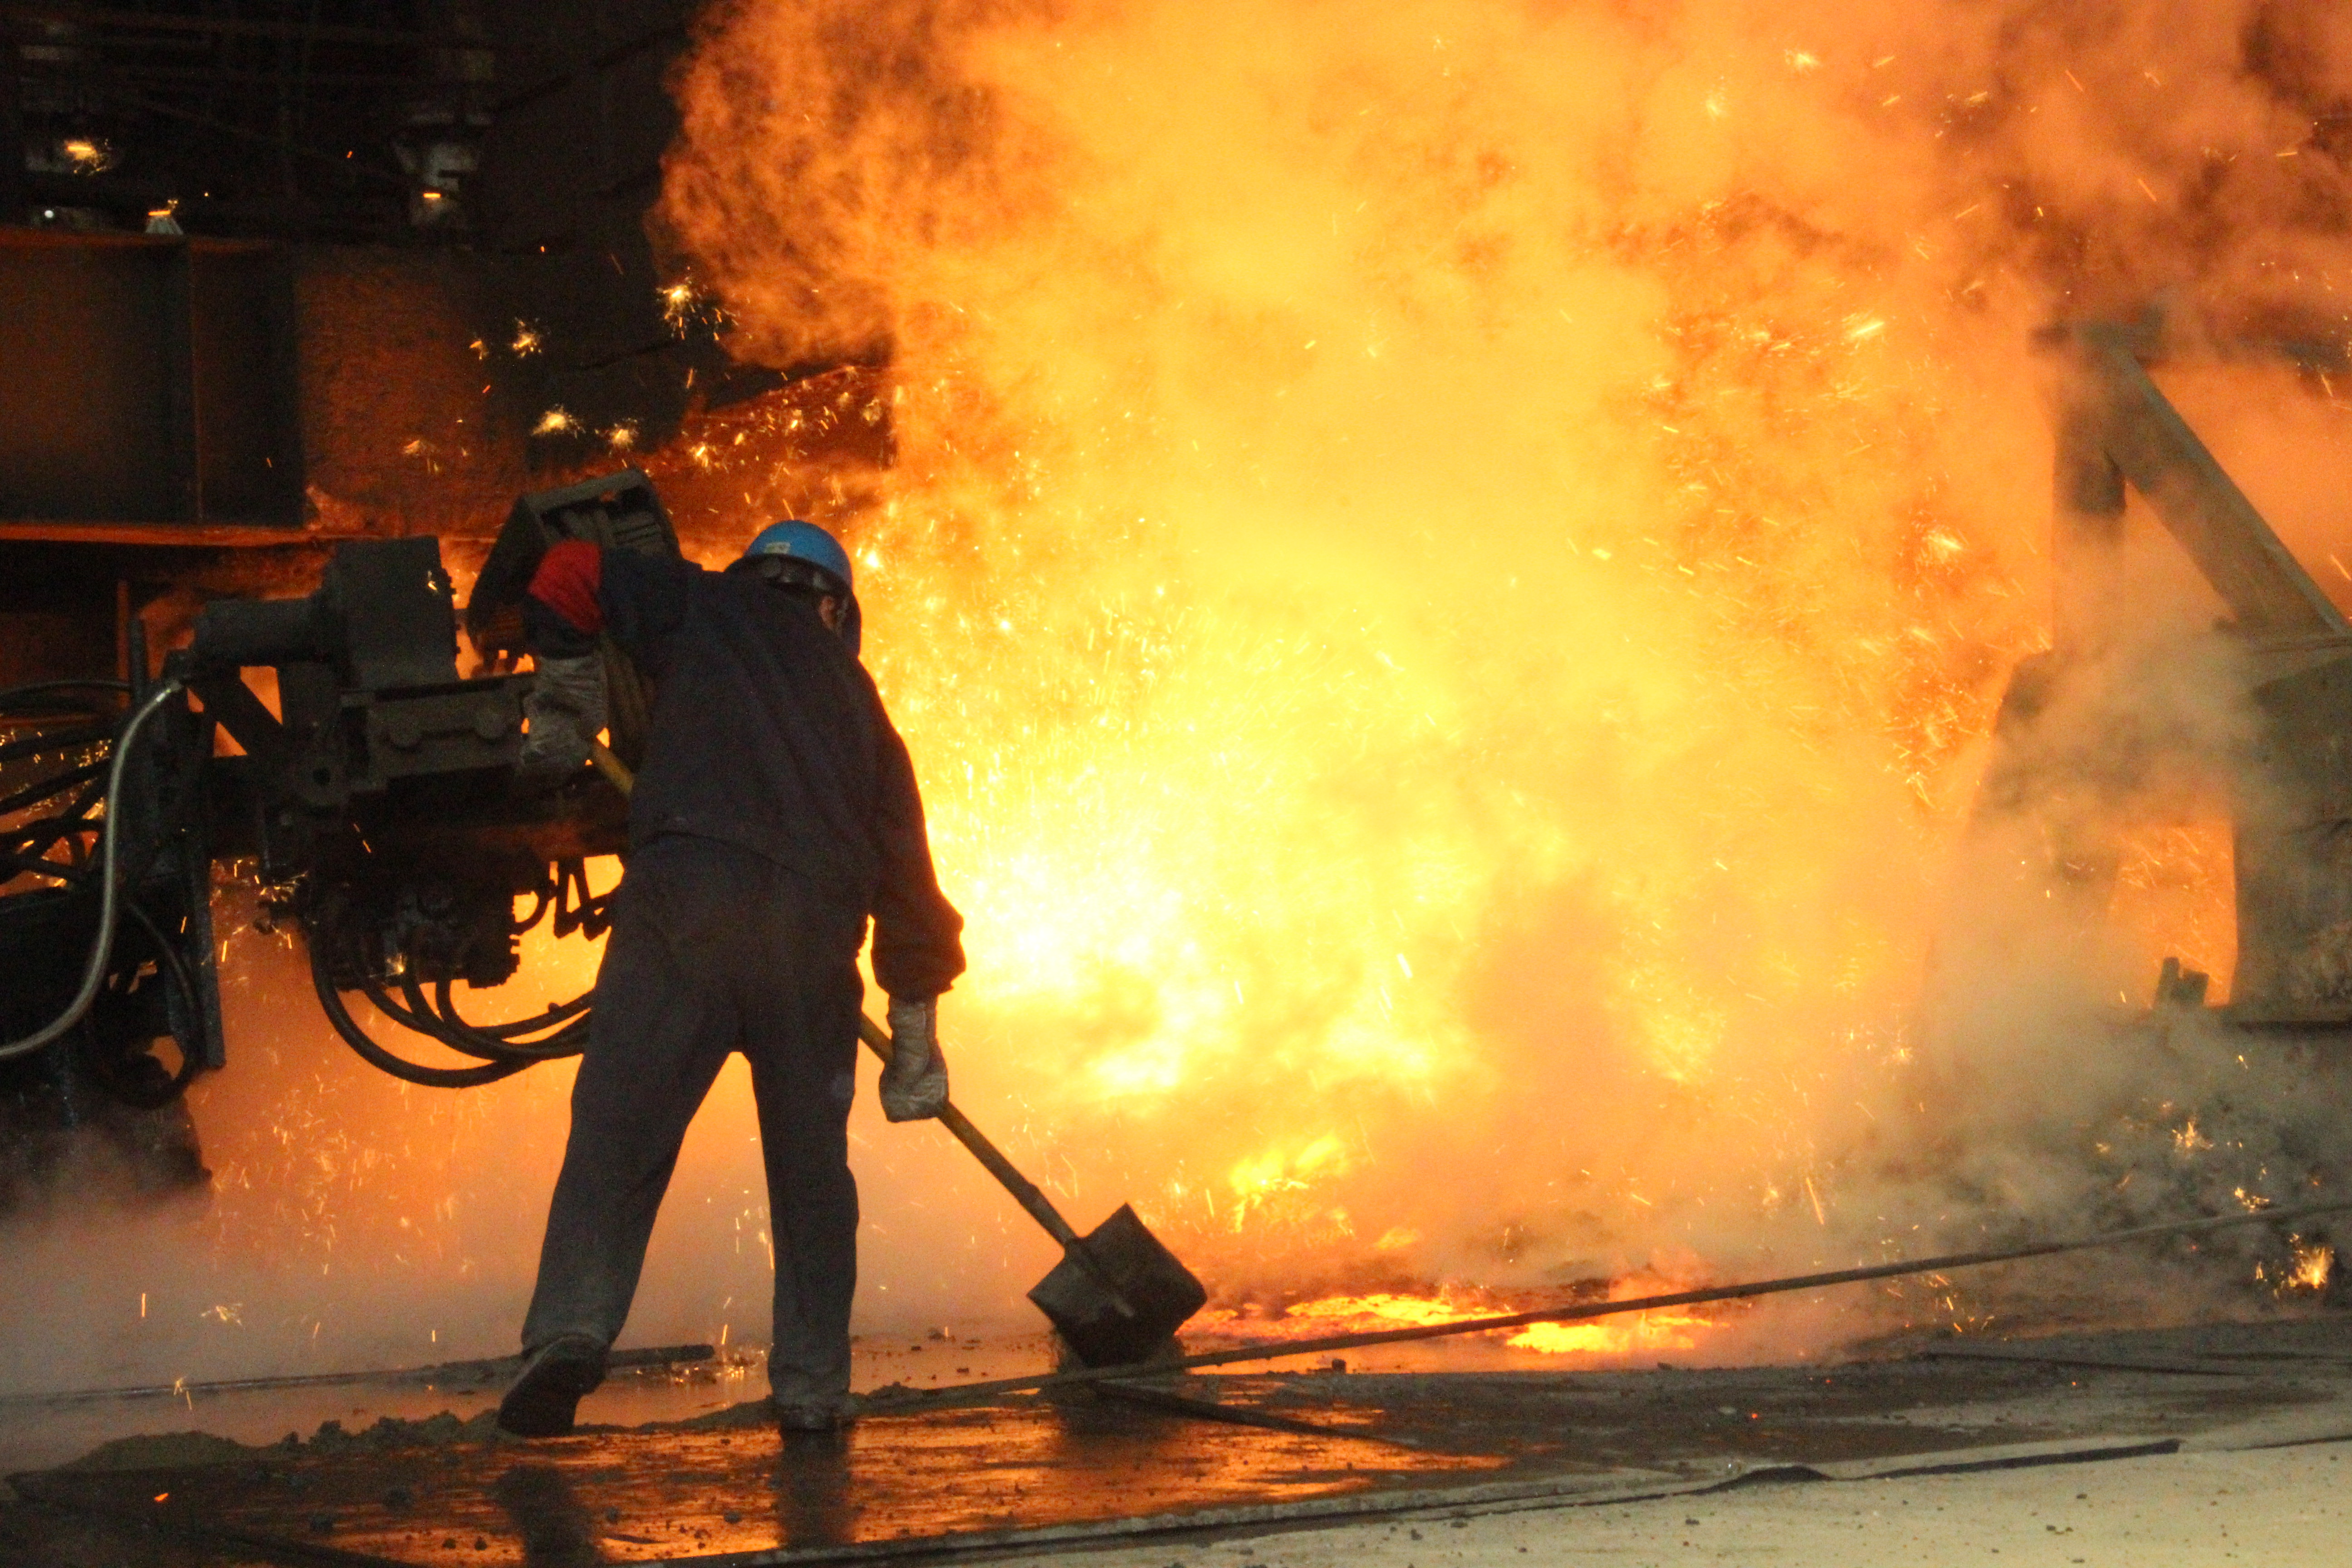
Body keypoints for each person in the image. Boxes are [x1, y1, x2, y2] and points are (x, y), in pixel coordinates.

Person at [496, 521, 966, 1436]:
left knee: (619, 1133)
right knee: (812, 1180)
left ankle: (572, 1332)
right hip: (811, 942)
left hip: (688, 912)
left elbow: (566, 573)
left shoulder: (702, 601)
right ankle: (813, 1389)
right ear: (836, 608)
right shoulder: (870, 714)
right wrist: (914, 1033)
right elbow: (910, 889)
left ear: (763, 576)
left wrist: (565, 695)